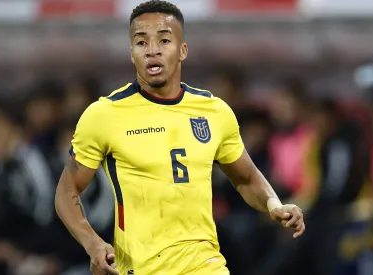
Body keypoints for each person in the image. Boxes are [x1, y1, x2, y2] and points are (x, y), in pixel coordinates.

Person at [55, 1, 305, 274]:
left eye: (164, 40)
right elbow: (67, 192)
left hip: (205, 266)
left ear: (182, 50)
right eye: (141, 43)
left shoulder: (214, 112)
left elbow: (245, 177)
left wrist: (274, 204)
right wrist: (93, 243)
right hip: (142, 269)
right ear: (132, 54)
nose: (152, 51)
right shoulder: (104, 115)